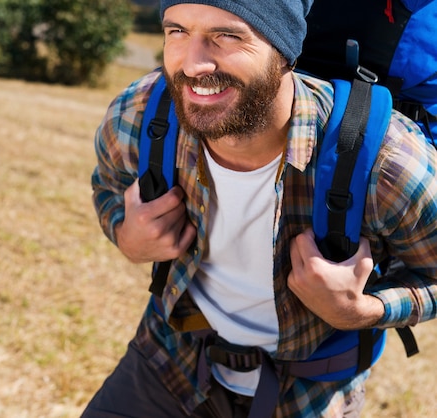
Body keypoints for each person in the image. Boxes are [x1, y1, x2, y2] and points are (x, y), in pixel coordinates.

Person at [84, 1, 437, 416]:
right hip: (166, 360)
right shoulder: (143, 111)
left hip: (309, 391)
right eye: (177, 31)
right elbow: (107, 189)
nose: (194, 65)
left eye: (227, 36)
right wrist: (126, 236)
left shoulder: (388, 162)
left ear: (285, 53)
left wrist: (362, 311)